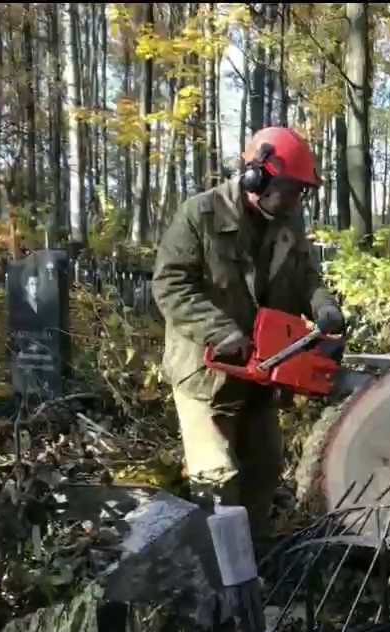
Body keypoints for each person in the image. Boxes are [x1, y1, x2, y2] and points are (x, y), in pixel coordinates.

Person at [152, 126, 346, 542]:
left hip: (262, 371)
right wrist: (219, 330)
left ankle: (256, 568)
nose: (297, 200)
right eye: (292, 189)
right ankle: (221, 587)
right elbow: (170, 285)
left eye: (301, 192)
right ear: (257, 177)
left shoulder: (287, 222)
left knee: (263, 469)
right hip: (206, 376)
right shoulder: (200, 216)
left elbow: (306, 277)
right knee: (218, 480)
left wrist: (323, 306)